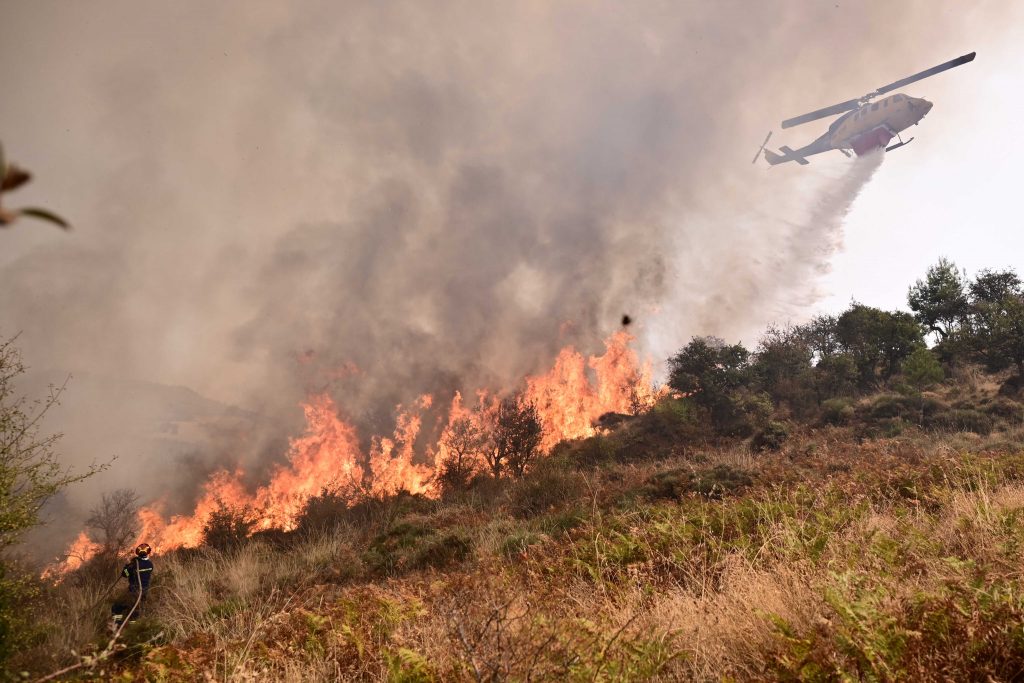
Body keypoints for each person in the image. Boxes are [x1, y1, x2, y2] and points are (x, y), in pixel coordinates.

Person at [111, 543, 154, 625]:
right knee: (134, 613)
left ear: (138, 552)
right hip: (144, 592)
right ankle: (133, 628)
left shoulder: (133, 565)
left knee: (116, 606)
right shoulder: (150, 564)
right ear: (148, 552)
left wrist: (126, 566)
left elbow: (125, 574)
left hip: (133, 593)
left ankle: (117, 625)